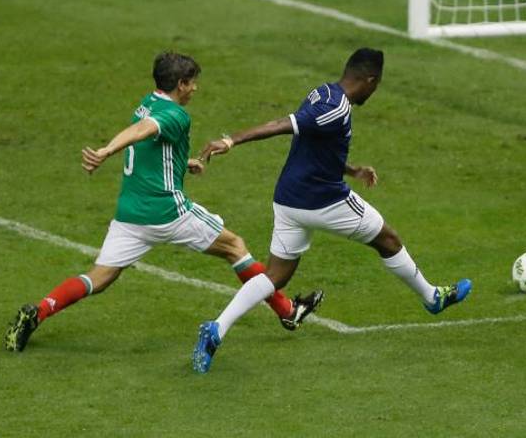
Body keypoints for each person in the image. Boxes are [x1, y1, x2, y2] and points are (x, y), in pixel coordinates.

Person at [3, 51, 322, 352]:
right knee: (235, 247)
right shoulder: (175, 115)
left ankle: (40, 311)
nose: (195, 88)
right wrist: (106, 151)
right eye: (192, 82)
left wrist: (183, 164)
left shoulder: (146, 103)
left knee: (99, 277)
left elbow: (149, 146)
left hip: (130, 215)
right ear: (180, 84)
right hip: (169, 212)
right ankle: (287, 311)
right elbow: (144, 131)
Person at [189, 48, 472, 374]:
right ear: (369, 80)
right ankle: (432, 297)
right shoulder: (335, 107)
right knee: (388, 239)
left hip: (288, 199)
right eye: (376, 86)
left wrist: (351, 170)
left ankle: (216, 329)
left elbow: (316, 144)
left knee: (276, 274)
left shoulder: (322, 92)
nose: (374, 91)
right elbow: (283, 124)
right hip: (324, 202)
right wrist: (231, 140)